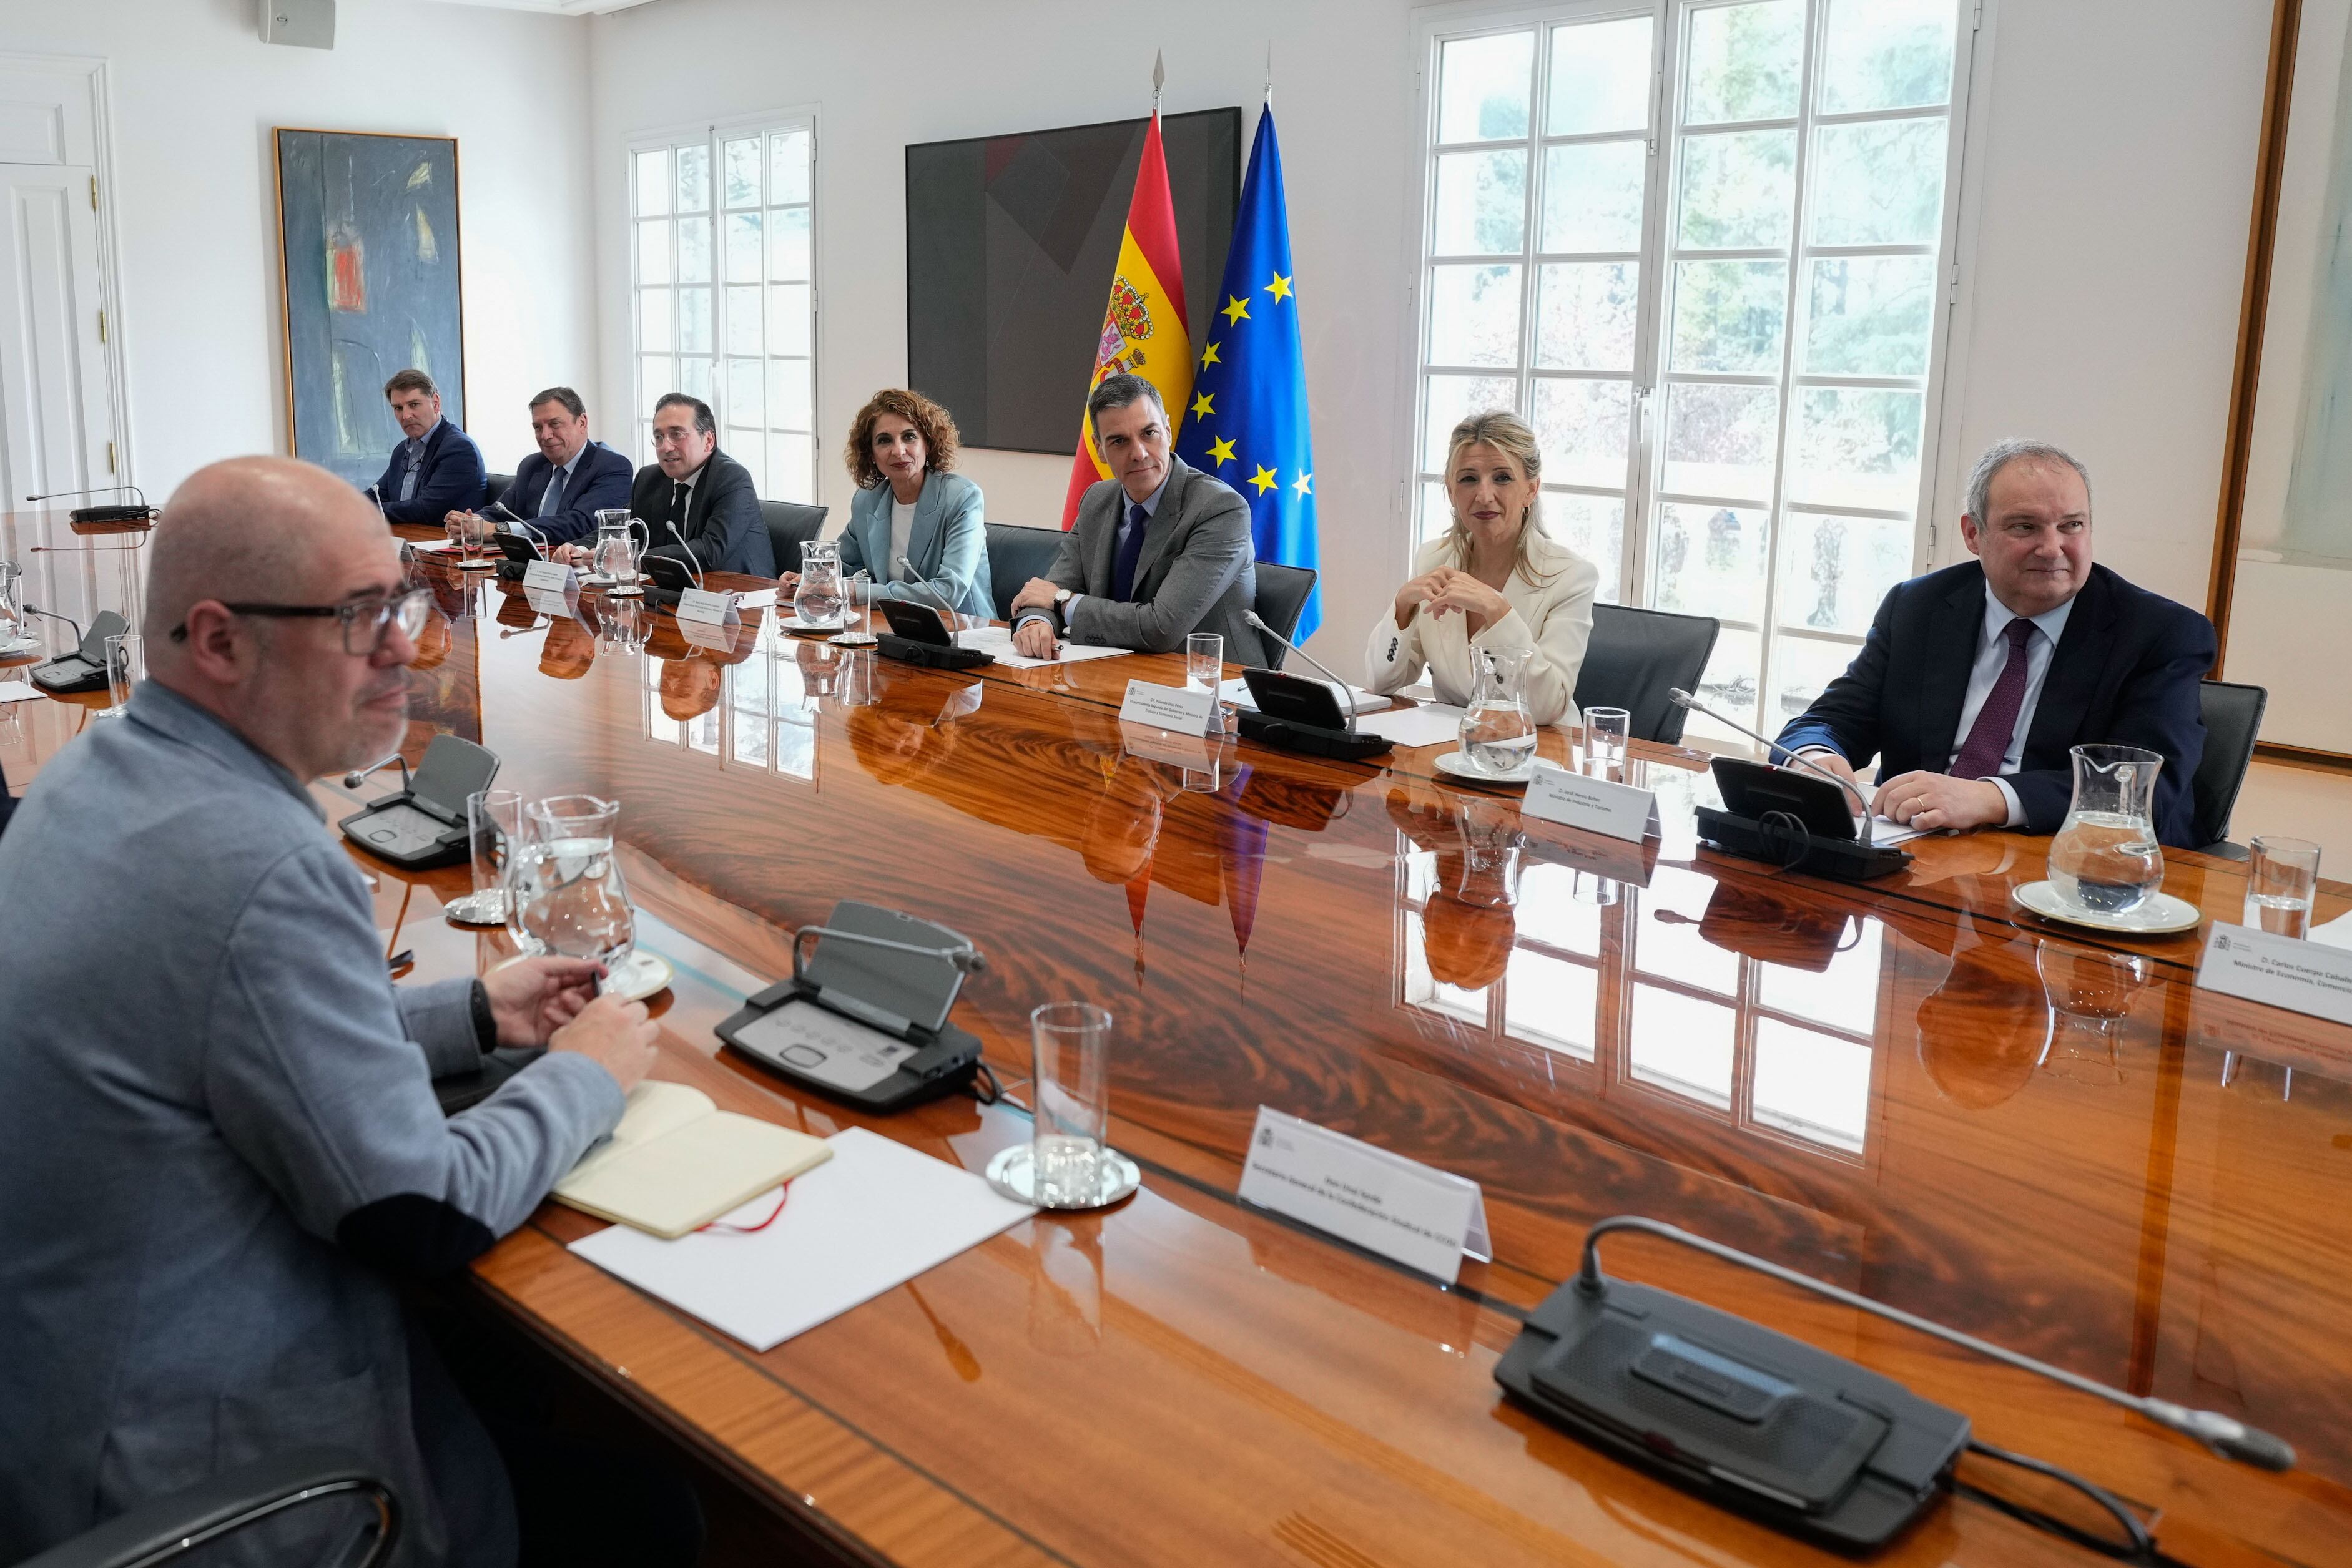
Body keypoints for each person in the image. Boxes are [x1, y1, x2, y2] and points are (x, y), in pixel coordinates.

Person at [0, 456, 664, 1563]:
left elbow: (210, 1043)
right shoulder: (257, 859)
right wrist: (588, 1072)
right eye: (359, 616)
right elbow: (421, 1214)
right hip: (206, 1480)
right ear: (218, 641)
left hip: (62, 1406)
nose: (405, 644)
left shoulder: (99, 770)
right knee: (649, 1513)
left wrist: (471, 1015)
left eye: (400, 596)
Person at [1774, 438, 2215, 847]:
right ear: (1972, 535)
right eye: (2025, 527)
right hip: (1911, 851)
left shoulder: (2159, 634)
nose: (2051, 547)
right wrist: (1813, 756)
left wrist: (1989, 799)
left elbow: (2143, 791)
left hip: (2072, 862)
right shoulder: (1918, 607)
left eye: (2071, 525)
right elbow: (1834, 717)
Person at [1364, 410, 1600, 726]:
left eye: (1502, 478)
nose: (1484, 496)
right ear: (1451, 491)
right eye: (1468, 479)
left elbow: (1546, 708)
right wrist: (1402, 607)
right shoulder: (1433, 559)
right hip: (1449, 747)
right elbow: (1381, 684)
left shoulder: (1570, 576)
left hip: (1539, 751)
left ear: (1531, 489)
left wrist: (1497, 610)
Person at [1009, 373, 1264, 665]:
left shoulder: (1221, 509)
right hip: (1117, 670)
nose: (1139, 453)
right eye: (1119, 441)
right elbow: (1050, 590)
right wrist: (1036, 624)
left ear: (1167, 430)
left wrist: (1061, 601)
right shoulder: (1097, 499)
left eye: (1149, 433)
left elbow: (1161, 628)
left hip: (1212, 684)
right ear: (1099, 449)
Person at [797, 388, 990, 618]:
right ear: (871, 454)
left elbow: (948, 593)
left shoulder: (961, 498)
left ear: (927, 443)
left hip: (963, 631)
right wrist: (808, 581)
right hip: (895, 626)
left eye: (909, 437)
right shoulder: (867, 500)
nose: (899, 451)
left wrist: (859, 592)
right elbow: (842, 566)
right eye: (884, 440)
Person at [448, 386, 632, 549]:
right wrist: (470, 523)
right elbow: (501, 511)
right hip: (525, 566)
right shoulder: (532, 465)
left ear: (582, 423)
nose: (545, 436)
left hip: (575, 572)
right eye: (538, 427)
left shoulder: (612, 466)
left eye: (554, 424)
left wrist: (500, 530)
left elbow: (579, 524)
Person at [614, 394, 773, 578]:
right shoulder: (649, 479)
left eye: (677, 435)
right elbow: (625, 529)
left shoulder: (732, 479)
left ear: (708, 440)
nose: (666, 447)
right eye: (659, 437)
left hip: (740, 596)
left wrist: (634, 559)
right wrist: (584, 548)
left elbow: (710, 551)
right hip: (673, 591)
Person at [369, 368, 486, 524]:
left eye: (414, 405)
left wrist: (367, 513)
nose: (406, 416)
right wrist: (344, 507)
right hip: (406, 541)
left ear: (436, 404)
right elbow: (377, 494)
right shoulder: (402, 450)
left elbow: (426, 510)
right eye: (398, 408)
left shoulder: (459, 449)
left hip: (442, 544)